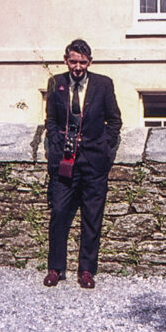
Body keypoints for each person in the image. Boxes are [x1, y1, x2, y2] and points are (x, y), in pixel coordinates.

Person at [43, 39, 122, 289]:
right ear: (66, 60)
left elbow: (115, 121)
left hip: (93, 163)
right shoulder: (56, 83)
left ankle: (86, 270)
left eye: (82, 62)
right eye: (73, 61)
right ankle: (56, 268)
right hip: (64, 163)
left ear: (90, 62)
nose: (77, 67)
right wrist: (58, 143)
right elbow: (51, 121)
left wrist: (103, 150)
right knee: (59, 214)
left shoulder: (103, 84)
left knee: (92, 218)